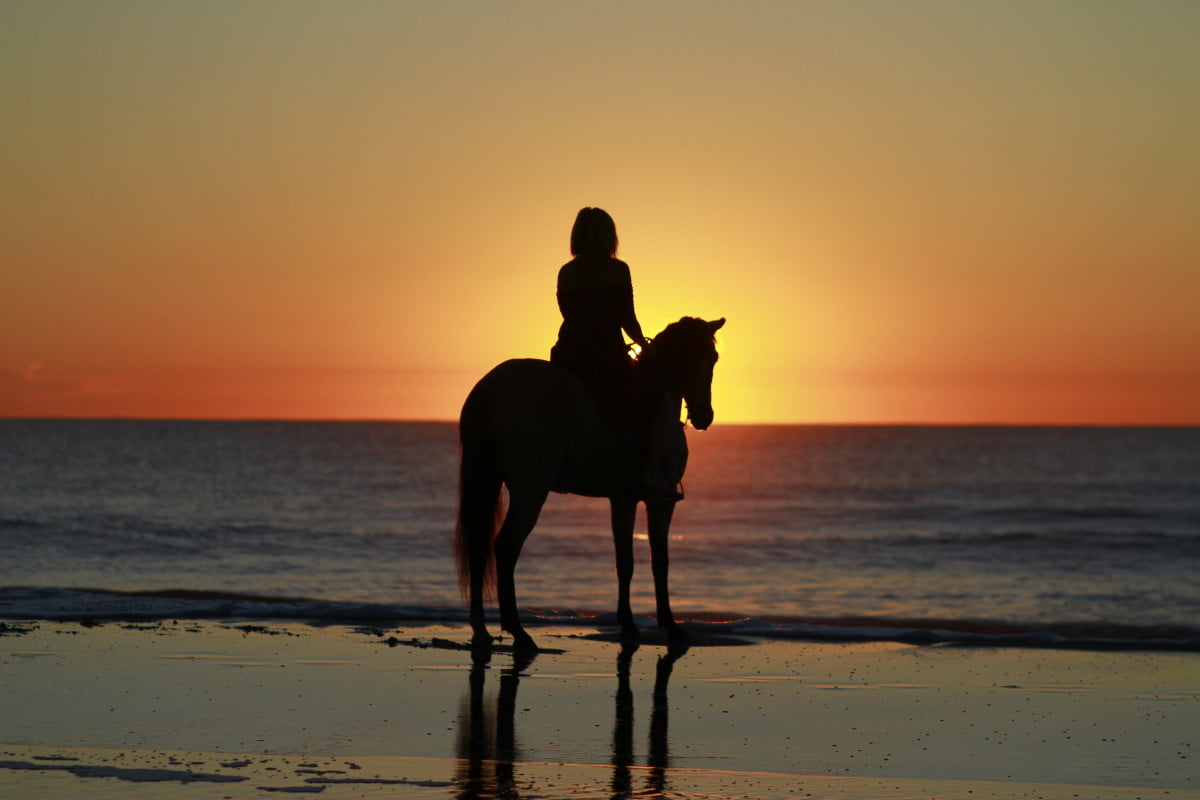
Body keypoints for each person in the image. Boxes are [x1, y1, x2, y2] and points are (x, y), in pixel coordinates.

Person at [550, 208, 647, 428]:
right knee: (632, 412)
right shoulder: (618, 269)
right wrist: (646, 346)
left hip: (567, 353)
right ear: (609, 236)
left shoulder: (566, 272)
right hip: (608, 355)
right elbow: (627, 319)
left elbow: (569, 316)